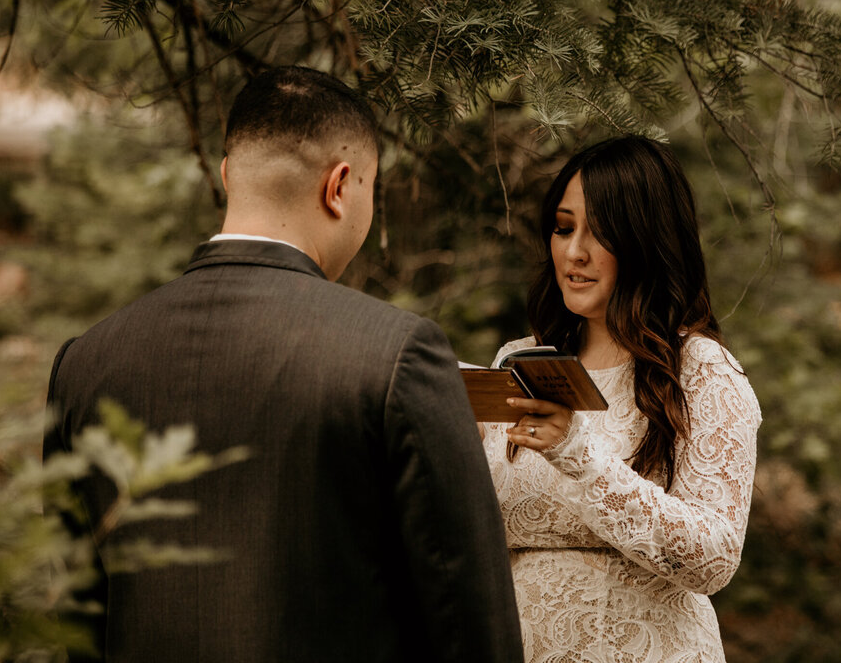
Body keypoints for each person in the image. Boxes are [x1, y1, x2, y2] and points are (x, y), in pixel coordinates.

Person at [45, 66, 523, 663]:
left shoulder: (86, 360)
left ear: (226, 175)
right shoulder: (396, 353)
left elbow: (73, 615)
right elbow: (469, 625)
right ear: (340, 186)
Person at [481, 136, 761, 663]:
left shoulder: (700, 370)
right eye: (563, 228)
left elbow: (715, 559)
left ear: (647, 242)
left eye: (601, 233)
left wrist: (578, 455)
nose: (573, 251)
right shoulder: (519, 360)